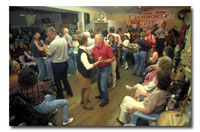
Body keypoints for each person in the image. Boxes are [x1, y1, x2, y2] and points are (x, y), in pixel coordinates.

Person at [44, 27, 73, 99]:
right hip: (65, 63)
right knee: (65, 79)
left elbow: (48, 55)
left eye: (48, 35)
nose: (48, 37)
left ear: (53, 34)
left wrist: (45, 48)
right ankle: (70, 92)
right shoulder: (63, 40)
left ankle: (60, 96)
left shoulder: (53, 43)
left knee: (57, 81)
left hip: (57, 64)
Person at [77, 33, 102, 110]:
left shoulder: (81, 48)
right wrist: (98, 62)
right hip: (83, 73)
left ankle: (82, 100)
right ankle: (85, 104)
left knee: (83, 87)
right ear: (85, 41)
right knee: (88, 88)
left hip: (79, 71)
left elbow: (88, 49)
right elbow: (88, 66)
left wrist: (95, 44)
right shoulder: (83, 54)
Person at [91, 34, 116, 107]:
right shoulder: (95, 47)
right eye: (94, 39)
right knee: (98, 83)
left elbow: (113, 58)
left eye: (96, 39)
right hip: (98, 68)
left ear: (101, 40)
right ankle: (102, 95)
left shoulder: (107, 47)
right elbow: (92, 55)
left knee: (103, 85)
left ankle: (105, 100)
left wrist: (104, 61)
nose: (94, 40)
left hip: (105, 68)